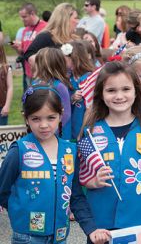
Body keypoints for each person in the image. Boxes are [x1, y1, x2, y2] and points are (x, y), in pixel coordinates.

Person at [73, 62, 141, 241]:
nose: (119, 96)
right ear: (101, 94)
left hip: (140, 222)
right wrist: (93, 182)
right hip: (101, 226)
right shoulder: (90, 132)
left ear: (136, 91)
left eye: (126, 89)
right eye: (111, 90)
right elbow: (78, 179)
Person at [0, 85, 107, 243]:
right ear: (26, 118)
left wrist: (91, 228)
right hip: (27, 237)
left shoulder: (69, 151)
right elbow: (3, 190)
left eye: (51, 117)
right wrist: (20, 209)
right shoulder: (19, 151)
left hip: (60, 236)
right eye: (36, 118)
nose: (44, 125)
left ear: (60, 115)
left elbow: (75, 195)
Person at [24, 3, 79, 75]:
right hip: (55, 82)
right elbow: (29, 57)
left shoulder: (75, 37)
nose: (78, 21)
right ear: (65, 19)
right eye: (75, 18)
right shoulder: (46, 36)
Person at [33, 48, 72, 141]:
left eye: (38, 62)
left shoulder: (59, 86)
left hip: (58, 134)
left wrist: (53, 130)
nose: (35, 65)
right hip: (39, 131)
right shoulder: (36, 83)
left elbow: (66, 114)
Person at [62, 41, 95, 140]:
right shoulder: (67, 78)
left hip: (85, 123)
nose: (63, 60)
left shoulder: (90, 78)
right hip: (70, 123)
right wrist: (72, 98)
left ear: (75, 58)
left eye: (66, 58)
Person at [12, 3, 47, 91]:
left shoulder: (46, 27)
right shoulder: (25, 30)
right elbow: (22, 52)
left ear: (32, 14)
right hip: (28, 71)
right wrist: (17, 48)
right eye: (21, 17)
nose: (22, 19)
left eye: (24, 17)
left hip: (42, 71)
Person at [0, 44, 13, 125]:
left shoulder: (6, 68)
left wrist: (7, 105)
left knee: (2, 132)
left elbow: (10, 87)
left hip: (2, 107)